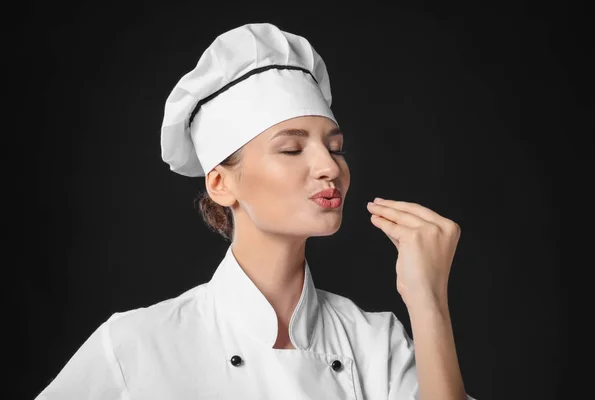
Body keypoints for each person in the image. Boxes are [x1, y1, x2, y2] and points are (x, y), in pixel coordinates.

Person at [35, 22, 477, 399]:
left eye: (335, 147)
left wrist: (428, 300)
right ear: (222, 184)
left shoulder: (376, 341)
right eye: (291, 149)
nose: (329, 167)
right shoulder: (138, 345)